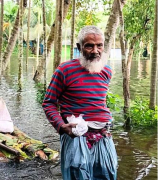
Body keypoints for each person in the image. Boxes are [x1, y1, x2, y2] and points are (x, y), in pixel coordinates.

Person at [42, 26, 118, 180]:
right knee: (77, 173)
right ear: (79, 47)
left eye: (99, 45)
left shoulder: (106, 71)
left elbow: (98, 101)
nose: (95, 51)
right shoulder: (65, 70)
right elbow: (49, 103)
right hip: (75, 134)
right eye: (89, 46)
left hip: (102, 133)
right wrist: (61, 126)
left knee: (107, 172)